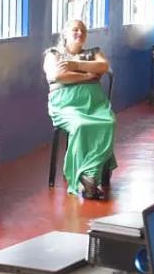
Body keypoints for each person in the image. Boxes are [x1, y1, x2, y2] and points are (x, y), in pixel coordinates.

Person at [43, 20, 116, 199]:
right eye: (75, 29)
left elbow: (103, 66)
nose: (80, 33)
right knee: (81, 125)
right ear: (65, 33)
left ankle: (89, 175)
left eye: (83, 30)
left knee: (109, 122)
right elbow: (58, 75)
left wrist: (74, 65)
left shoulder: (94, 52)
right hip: (66, 104)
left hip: (95, 103)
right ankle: (85, 176)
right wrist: (89, 76)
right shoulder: (53, 54)